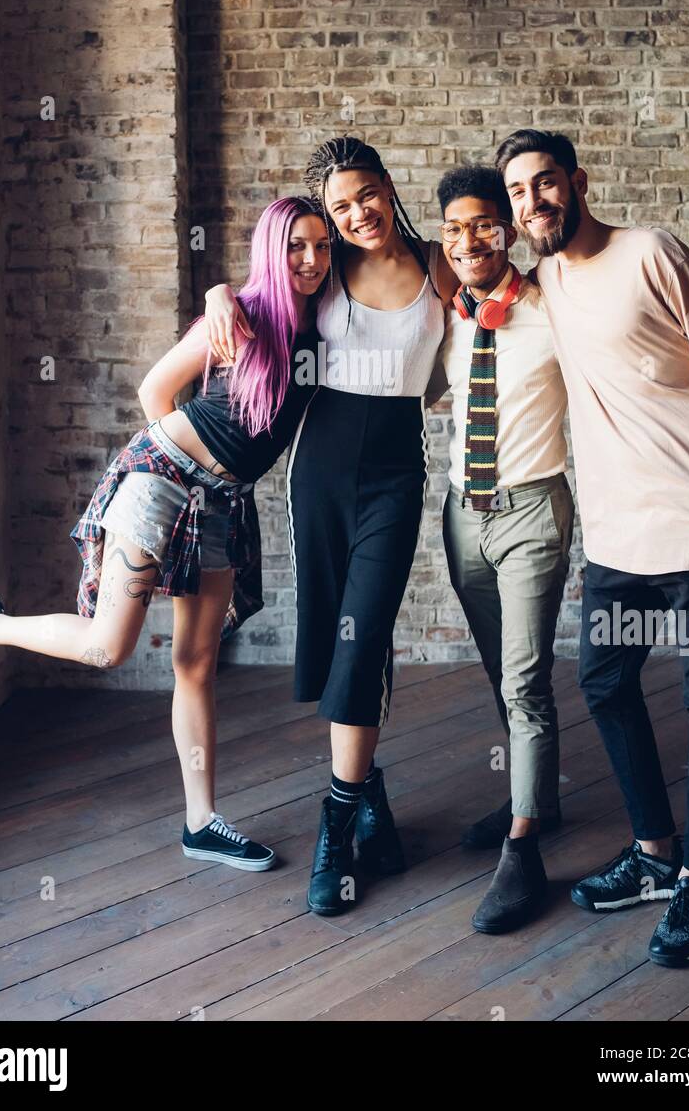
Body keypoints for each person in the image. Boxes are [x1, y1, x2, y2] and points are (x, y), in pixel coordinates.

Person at [0, 198, 328, 874]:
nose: (312, 260)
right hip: (161, 478)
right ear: (270, 251)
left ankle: (201, 822)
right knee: (107, 648)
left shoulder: (323, 324)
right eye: (296, 247)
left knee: (196, 664)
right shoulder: (241, 318)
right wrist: (180, 462)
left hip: (224, 501)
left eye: (322, 246)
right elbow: (154, 391)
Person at [427, 162, 689, 936]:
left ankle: (525, 852)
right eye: (455, 229)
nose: (471, 240)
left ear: (510, 227)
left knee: (528, 680)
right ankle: (538, 796)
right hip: (464, 514)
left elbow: (633, 347)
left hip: (534, 509)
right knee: (504, 674)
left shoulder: (552, 300)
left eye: (487, 223)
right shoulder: (444, 313)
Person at [494, 127, 689, 967]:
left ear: (576, 182)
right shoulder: (543, 284)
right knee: (606, 683)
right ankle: (654, 854)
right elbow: (443, 259)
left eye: (545, 184)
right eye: (518, 193)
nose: (533, 202)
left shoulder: (652, 253)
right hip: (618, 539)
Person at [200, 137, 458, 916]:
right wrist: (217, 291)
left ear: (388, 186)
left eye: (366, 196)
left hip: (394, 470)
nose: (356, 215)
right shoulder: (324, 270)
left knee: (365, 632)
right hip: (317, 472)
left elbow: (479, 339)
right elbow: (258, 291)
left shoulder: (438, 263)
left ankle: (335, 827)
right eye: (340, 206)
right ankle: (369, 791)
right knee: (336, 634)